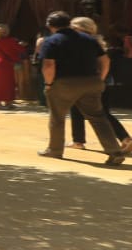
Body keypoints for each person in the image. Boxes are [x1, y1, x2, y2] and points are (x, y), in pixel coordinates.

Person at [37, 10, 125, 164]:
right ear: (69, 23)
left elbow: (48, 66)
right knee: (98, 118)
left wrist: (49, 84)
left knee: (57, 117)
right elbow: (105, 61)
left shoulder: (51, 41)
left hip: (64, 83)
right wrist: (100, 79)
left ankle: (55, 150)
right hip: (91, 82)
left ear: (50, 26)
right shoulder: (89, 39)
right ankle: (115, 152)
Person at [65, 16, 131, 152]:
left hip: (91, 82)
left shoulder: (84, 43)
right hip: (100, 82)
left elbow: (104, 62)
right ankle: (79, 140)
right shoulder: (97, 41)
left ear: (81, 28)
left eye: (73, 28)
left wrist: (100, 79)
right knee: (85, 110)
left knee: (94, 112)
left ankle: (79, 141)